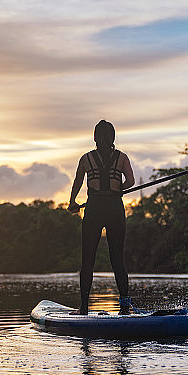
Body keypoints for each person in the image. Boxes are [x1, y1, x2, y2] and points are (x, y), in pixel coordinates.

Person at [68, 120, 135, 315]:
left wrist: (72, 203)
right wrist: (117, 190)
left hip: (94, 208)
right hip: (115, 207)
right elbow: (130, 181)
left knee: (87, 260)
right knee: (118, 260)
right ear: (113, 137)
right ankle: (124, 307)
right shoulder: (122, 158)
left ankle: (84, 308)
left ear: (95, 138)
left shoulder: (86, 159)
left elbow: (78, 181)